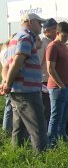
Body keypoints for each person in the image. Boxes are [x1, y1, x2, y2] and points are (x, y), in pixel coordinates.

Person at [0, 13, 48, 152]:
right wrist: (7, 84)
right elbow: (16, 62)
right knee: (38, 127)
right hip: (27, 91)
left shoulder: (15, 39)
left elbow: (7, 66)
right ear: (30, 22)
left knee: (19, 128)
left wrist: (6, 83)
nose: (41, 25)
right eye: (39, 22)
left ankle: (18, 154)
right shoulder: (26, 38)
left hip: (18, 90)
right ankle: (42, 159)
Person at [46, 22, 68, 146]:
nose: (66, 38)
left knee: (64, 116)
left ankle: (61, 138)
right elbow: (50, 69)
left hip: (67, 86)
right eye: (64, 36)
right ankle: (52, 141)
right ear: (57, 33)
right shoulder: (53, 46)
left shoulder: (64, 46)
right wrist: (61, 84)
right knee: (56, 116)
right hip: (57, 87)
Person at [37, 18, 58, 126]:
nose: (56, 30)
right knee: (47, 112)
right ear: (46, 31)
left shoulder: (55, 42)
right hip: (45, 83)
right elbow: (38, 64)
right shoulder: (42, 43)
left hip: (55, 81)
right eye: (54, 28)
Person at [0, 34, 16, 134]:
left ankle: (7, 129)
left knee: (8, 105)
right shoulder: (10, 51)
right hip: (10, 79)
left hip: (5, 79)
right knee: (10, 106)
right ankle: (7, 129)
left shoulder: (3, 50)